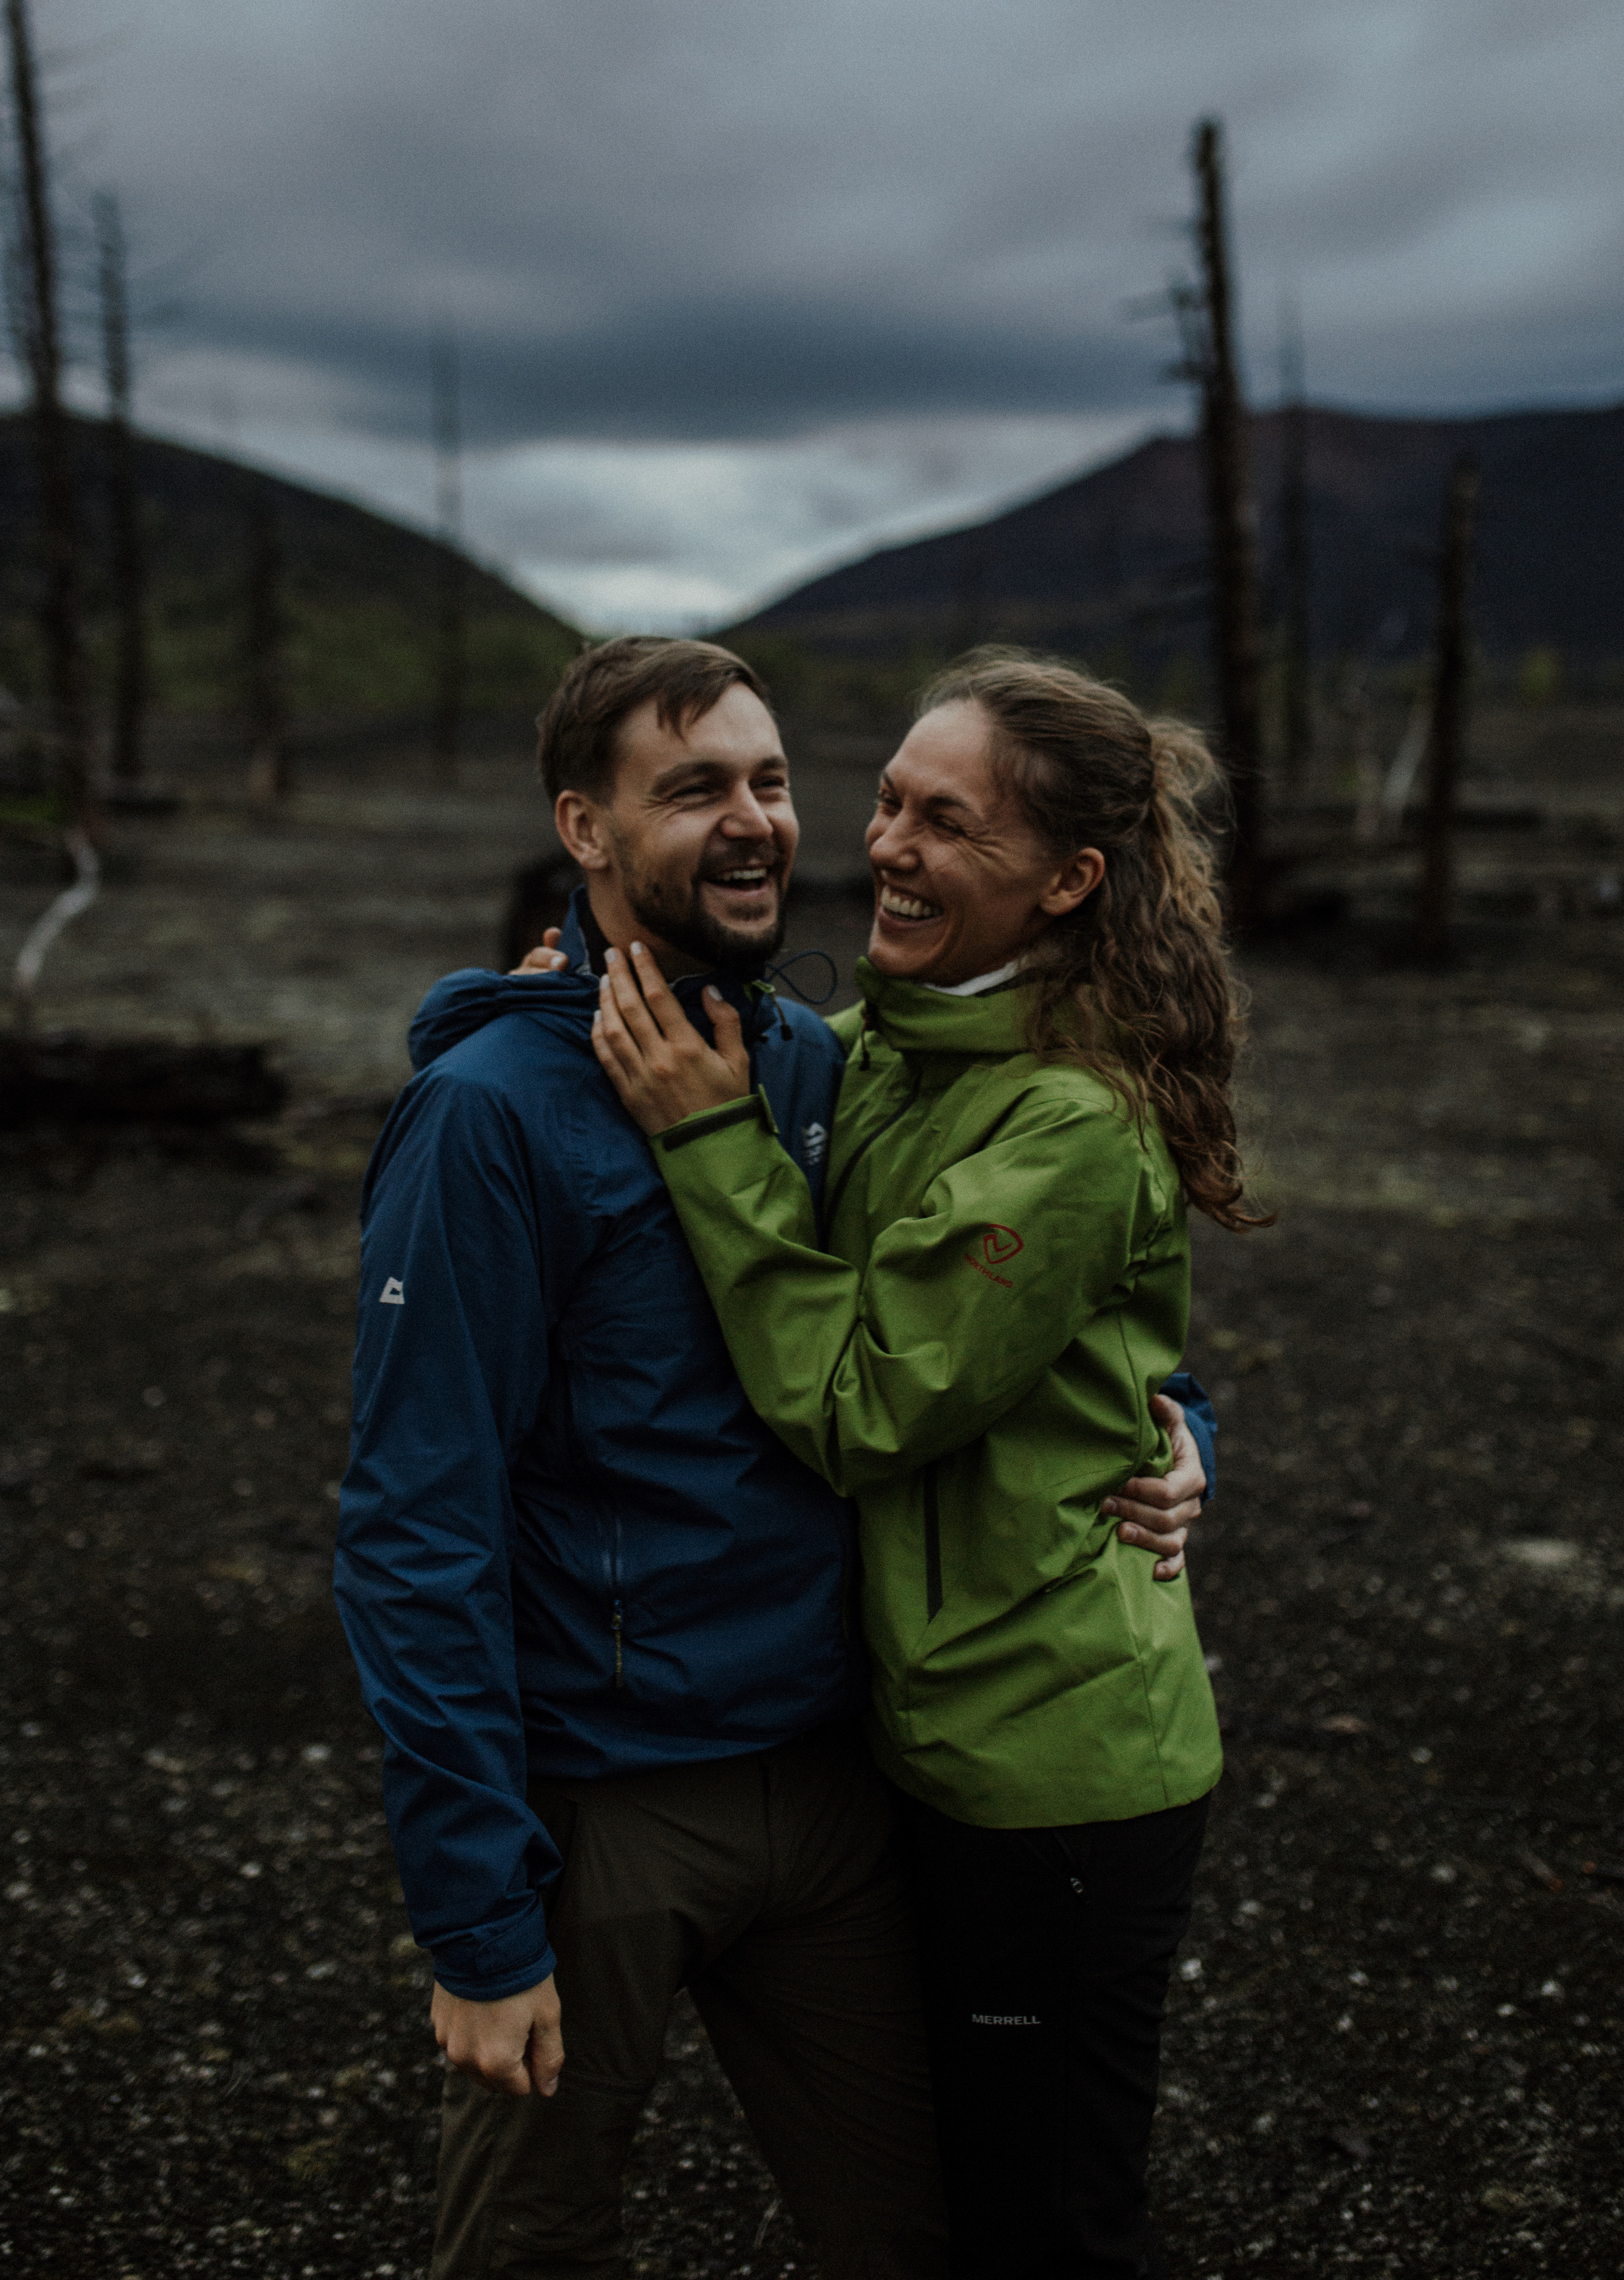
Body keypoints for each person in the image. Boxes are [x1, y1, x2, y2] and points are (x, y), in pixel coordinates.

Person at [336, 637, 1212, 2280]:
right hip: (602, 1805)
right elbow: (411, 1526)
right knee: (527, 2241)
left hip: (834, 1775)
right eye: (691, 791)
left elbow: (1048, 1312)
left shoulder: (815, 1065)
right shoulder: (488, 1119)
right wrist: (472, 1912)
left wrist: (1186, 1437)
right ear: (585, 830)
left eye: (770, 781)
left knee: (932, 2228)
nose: (757, 825)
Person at [588, 649, 1266, 2280]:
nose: (882, 846)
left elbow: (858, 1402)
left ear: (1064, 881)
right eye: (885, 800)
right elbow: (1110, 1364)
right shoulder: (890, 1042)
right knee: (956, 2189)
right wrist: (570, 972)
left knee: (1047, 2219)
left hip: (1056, 1773)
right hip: (938, 1729)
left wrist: (704, 1140)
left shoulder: (1071, 1126)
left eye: (943, 824)